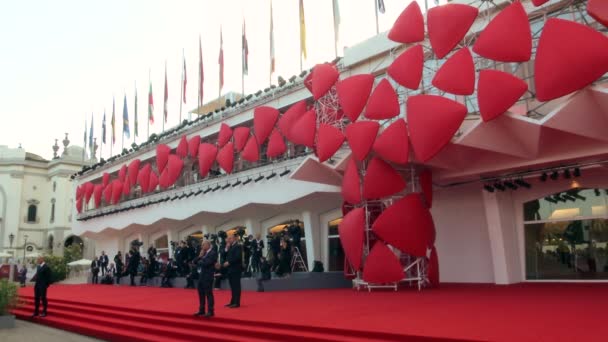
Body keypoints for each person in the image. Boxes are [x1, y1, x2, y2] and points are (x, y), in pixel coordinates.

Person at [194, 240, 217, 318]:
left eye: (203, 245)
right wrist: (200, 256)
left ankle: (210, 311)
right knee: (200, 293)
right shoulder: (204, 254)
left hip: (208, 276)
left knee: (208, 294)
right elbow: (194, 262)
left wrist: (201, 260)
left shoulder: (213, 253)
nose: (202, 246)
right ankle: (201, 310)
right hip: (202, 276)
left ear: (208, 245)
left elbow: (206, 263)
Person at [223, 234, 242, 308]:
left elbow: (237, 257)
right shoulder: (230, 247)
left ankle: (237, 303)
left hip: (236, 269)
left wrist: (229, 262)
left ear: (234, 239)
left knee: (236, 286)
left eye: (230, 238)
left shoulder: (237, 246)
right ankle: (233, 301)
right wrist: (226, 249)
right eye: (228, 238)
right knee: (232, 286)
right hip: (230, 269)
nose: (228, 240)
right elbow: (224, 255)